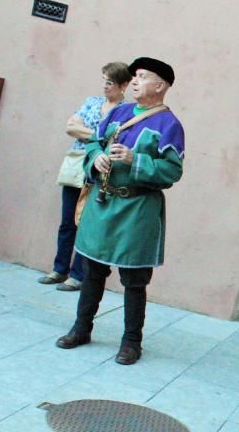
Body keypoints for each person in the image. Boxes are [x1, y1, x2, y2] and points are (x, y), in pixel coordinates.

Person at [55, 57, 185, 366]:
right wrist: (97, 157)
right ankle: (81, 328)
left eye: (143, 76)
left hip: (137, 209)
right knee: (92, 271)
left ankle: (131, 343)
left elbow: (172, 171)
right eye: (134, 76)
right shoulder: (119, 113)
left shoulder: (170, 125)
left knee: (135, 279)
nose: (135, 81)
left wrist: (133, 159)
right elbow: (92, 144)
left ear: (160, 85)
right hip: (104, 202)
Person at [38, 62, 131, 292]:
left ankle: (77, 275)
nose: (105, 86)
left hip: (98, 169)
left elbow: (116, 140)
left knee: (86, 223)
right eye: (104, 80)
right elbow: (71, 127)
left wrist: (90, 133)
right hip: (76, 164)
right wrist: (100, 135)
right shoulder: (92, 102)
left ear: (123, 85)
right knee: (67, 220)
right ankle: (59, 269)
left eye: (109, 82)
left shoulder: (125, 111)